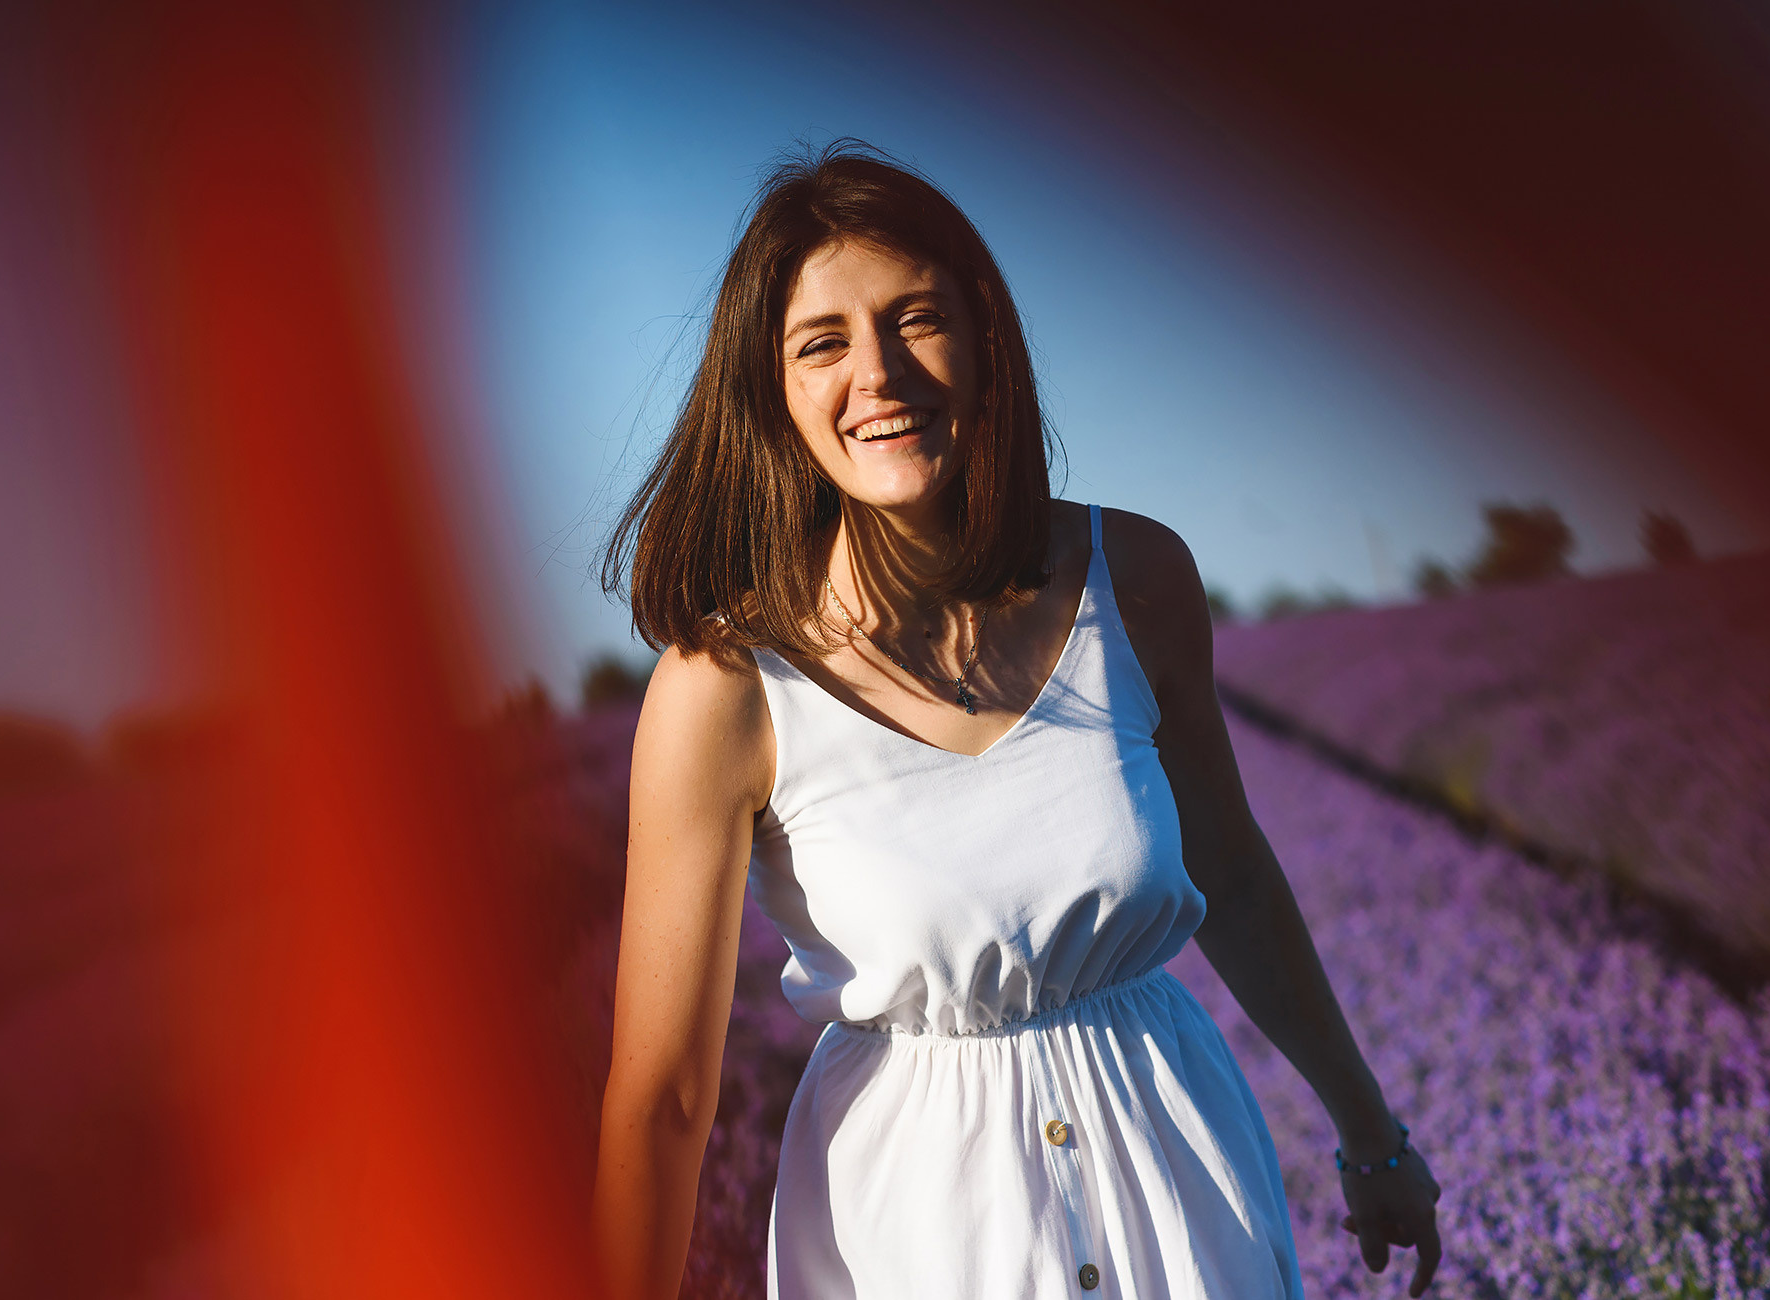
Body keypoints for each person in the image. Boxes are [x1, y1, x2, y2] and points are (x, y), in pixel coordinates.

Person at [592, 142, 1443, 1300]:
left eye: (916, 319)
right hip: (920, 1239)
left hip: (1180, 1199)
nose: (878, 373)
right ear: (771, 393)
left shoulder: (1133, 577)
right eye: (822, 343)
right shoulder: (726, 687)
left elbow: (1233, 877)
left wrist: (1369, 1134)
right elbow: (664, 1096)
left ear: (985, 342)